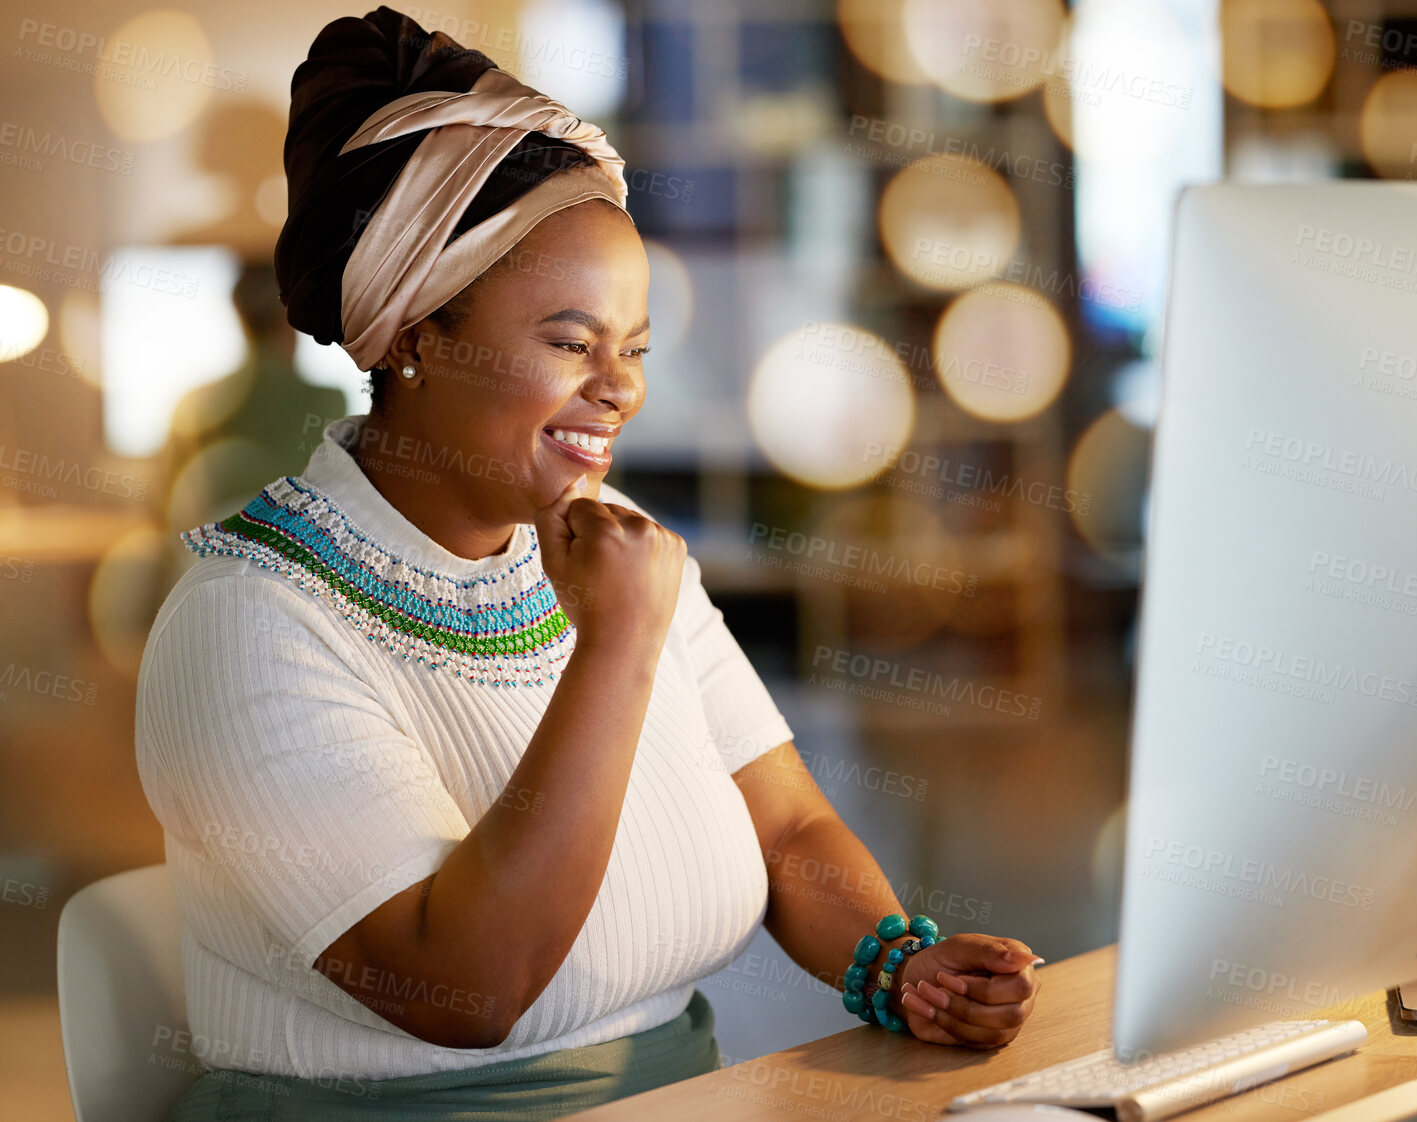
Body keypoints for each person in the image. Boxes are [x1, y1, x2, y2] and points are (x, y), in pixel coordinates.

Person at [135, 8, 1041, 1119]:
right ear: (416, 334)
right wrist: (614, 647)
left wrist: (898, 964)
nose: (620, 387)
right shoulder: (248, 622)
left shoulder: (611, 538)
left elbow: (788, 826)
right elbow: (463, 986)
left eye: (635, 347)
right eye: (569, 343)